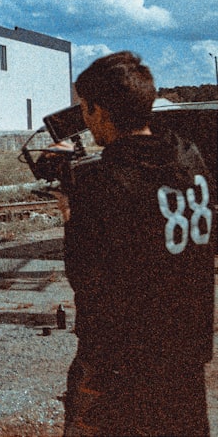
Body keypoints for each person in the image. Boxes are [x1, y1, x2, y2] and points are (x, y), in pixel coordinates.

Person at [47, 52, 213, 436]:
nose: (85, 120)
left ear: (101, 112)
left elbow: (86, 277)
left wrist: (72, 214)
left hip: (120, 362)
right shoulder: (190, 159)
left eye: (86, 109)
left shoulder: (103, 183)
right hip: (186, 349)